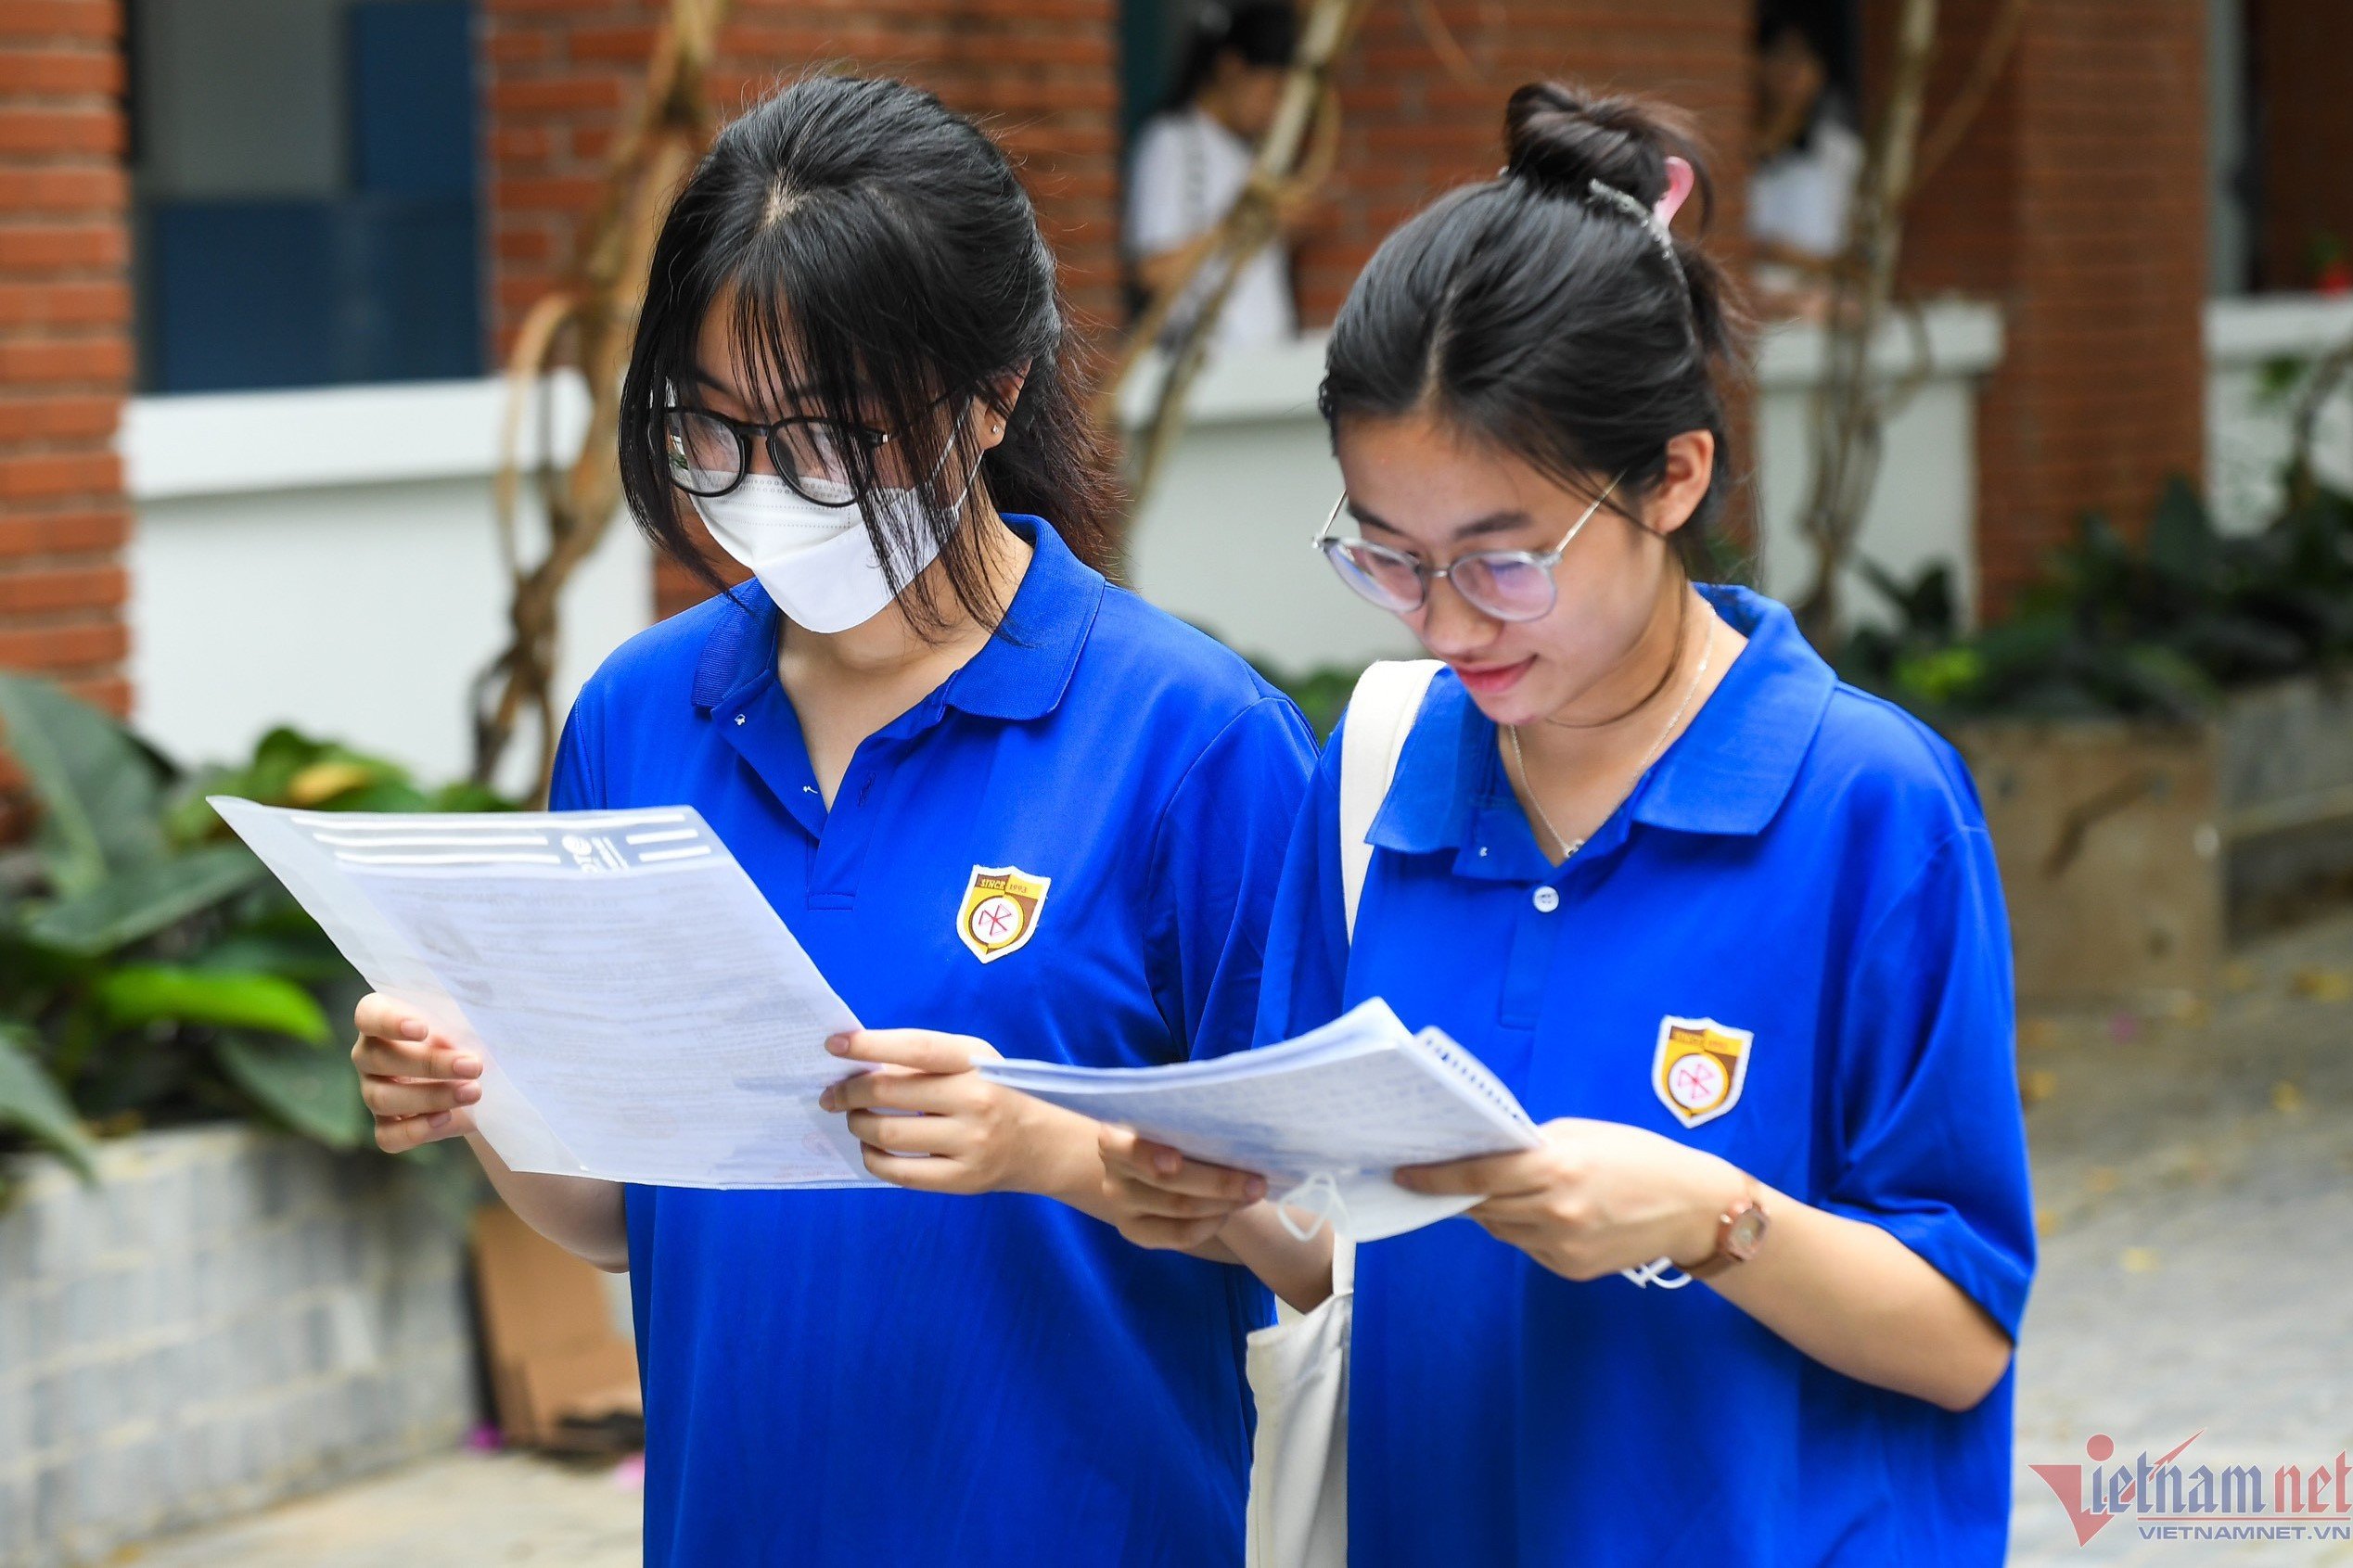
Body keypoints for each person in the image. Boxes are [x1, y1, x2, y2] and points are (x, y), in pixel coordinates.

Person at [346, 75, 1316, 1565]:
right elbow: (619, 1207)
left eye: (829, 439)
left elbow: (1324, 1244)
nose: (759, 489)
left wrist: (1053, 1143)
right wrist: (479, 1081)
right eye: (711, 430)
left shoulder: (1190, 740)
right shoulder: (638, 716)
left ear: (991, 397)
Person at [1102, 83, 2036, 1564]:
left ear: (1673, 473)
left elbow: (1961, 1340)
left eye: (1505, 560)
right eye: (1389, 559)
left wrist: (1710, 1217)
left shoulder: (1867, 803)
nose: (1448, 618)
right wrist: (1210, 1207)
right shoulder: (1381, 768)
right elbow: (1336, 1255)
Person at [1125, 0, 1303, 352]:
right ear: (1232, 69)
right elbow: (1152, 271)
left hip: (1270, 357)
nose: (1275, 109)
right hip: (1204, 369)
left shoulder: (1251, 155)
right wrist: (1238, 228)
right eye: (1272, 91)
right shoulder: (1173, 143)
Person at [1748, 10, 1863, 318]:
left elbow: (1857, 252)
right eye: (1781, 55)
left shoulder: (1840, 152)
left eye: (1803, 58)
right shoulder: (1736, 147)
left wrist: (1801, 262)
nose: (1792, 70)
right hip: (1752, 302)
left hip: (1818, 305)